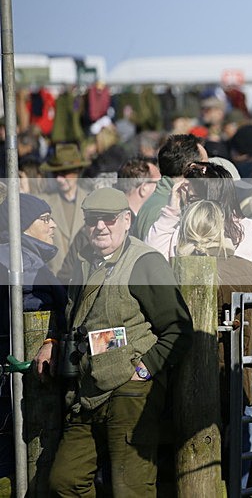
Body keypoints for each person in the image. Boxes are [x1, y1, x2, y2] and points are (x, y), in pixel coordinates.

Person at [34, 187, 193, 496]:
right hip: (87, 389)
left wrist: (145, 370)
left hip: (130, 391)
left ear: (126, 220)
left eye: (108, 219)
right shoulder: (83, 260)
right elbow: (76, 321)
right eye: (93, 220)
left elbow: (179, 328)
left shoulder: (145, 262)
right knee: (65, 481)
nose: (100, 227)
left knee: (129, 489)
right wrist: (53, 340)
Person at [175, 200, 252, 488]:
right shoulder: (243, 269)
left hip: (180, 377)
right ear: (220, 230)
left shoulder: (170, 270)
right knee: (233, 442)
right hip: (230, 375)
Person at [0, 194, 68, 485]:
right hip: (14, 383)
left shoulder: (31, 260)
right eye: (45, 219)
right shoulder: (21, 264)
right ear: (24, 224)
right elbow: (32, 304)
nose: (52, 225)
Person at [133, 133, 208, 239]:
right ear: (193, 168)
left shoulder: (173, 201)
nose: (209, 174)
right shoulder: (162, 211)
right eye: (205, 167)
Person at [39, 142, 91, 277]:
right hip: (53, 283)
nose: (59, 179)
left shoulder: (92, 201)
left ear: (78, 171)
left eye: (65, 173)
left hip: (84, 281)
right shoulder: (43, 203)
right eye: (55, 174)